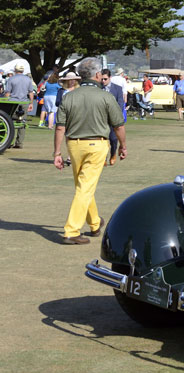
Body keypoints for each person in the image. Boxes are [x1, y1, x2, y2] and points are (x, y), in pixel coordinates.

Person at [53, 57, 127, 245]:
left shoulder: (68, 96)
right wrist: (123, 146)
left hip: (74, 145)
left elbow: (60, 127)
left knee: (84, 186)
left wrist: (57, 153)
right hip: (97, 145)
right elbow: (118, 126)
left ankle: (95, 223)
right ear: (97, 75)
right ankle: (71, 231)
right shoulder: (106, 97)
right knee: (85, 188)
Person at [4, 65, 36, 149]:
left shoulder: (11, 79)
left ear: (15, 70)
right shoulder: (28, 79)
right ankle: (19, 143)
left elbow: (7, 93)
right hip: (24, 102)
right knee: (22, 122)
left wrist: (5, 102)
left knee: (9, 122)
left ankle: (8, 142)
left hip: (12, 103)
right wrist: (31, 103)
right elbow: (31, 92)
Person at [100, 69, 126, 165]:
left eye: (105, 79)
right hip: (101, 119)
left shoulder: (117, 88)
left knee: (113, 139)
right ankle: (103, 158)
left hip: (113, 118)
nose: (103, 81)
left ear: (110, 78)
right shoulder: (98, 88)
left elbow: (120, 102)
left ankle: (113, 154)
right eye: (102, 79)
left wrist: (116, 115)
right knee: (103, 139)